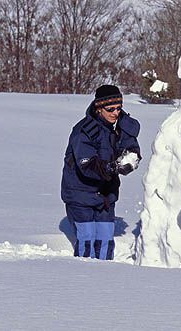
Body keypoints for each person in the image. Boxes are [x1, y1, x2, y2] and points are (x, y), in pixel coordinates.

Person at [61, 84, 141, 260]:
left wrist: (131, 158)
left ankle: (105, 281)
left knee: (105, 240)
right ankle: (84, 279)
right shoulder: (83, 131)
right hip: (80, 194)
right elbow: (87, 165)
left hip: (105, 195)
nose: (115, 113)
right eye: (110, 109)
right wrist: (112, 167)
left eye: (119, 108)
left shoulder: (118, 126)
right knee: (87, 240)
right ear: (98, 108)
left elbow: (130, 148)